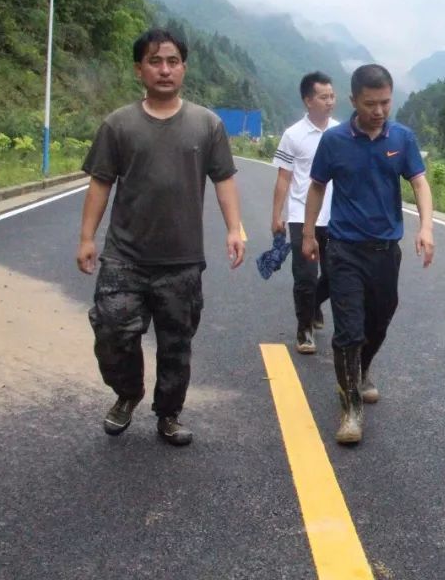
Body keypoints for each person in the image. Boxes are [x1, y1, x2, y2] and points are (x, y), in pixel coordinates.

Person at [76, 28, 245, 447]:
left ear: (184, 68)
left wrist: (234, 228)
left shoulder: (208, 125)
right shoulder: (118, 124)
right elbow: (100, 183)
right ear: (139, 70)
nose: (164, 69)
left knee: (176, 347)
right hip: (124, 258)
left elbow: (223, 180)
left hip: (182, 261)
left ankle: (168, 414)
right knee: (113, 334)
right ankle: (127, 392)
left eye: (172, 61)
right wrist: (86, 237)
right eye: (155, 61)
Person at [301, 63, 435, 445]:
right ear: (353, 101)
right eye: (370, 103)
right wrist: (309, 234)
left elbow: (420, 184)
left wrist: (426, 227)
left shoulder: (402, 138)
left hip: (385, 251)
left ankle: (363, 368)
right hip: (344, 249)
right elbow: (316, 187)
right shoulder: (335, 141)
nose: (378, 111)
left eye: (385, 102)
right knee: (348, 330)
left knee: (380, 320)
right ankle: (350, 408)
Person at [271, 72, 339, 354]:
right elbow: (284, 178)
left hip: (336, 217)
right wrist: (277, 214)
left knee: (336, 276)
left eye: (332, 96)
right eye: (324, 97)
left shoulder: (341, 133)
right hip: (302, 216)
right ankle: (304, 329)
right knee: (306, 276)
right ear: (308, 100)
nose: (330, 102)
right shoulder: (293, 135)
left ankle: (313, 306)